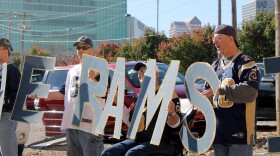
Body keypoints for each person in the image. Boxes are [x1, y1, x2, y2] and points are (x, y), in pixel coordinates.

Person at [30, 36, 104, 156]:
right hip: (71, 124)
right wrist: (40, 94)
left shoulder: (100, 68)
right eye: (78, 47)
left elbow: (106, 92)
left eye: (84, 47)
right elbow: (62, 94)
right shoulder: (72, 71)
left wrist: (95, 79)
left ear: (92, 50)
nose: (80, 50)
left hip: (90, 125)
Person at [101, 62, 183, 156]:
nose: (140, 73)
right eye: (139, 71)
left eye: (144, 70)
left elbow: (176, 124)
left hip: (163, 142)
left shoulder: (167, 93)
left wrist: (171, 113)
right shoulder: (141, 97)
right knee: (108, 152)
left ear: (155, 74)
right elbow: (130, 122)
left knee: (132, 154)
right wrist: (119, 103)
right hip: (139, 141)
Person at [202, 24, 260, 156]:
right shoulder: (215, 65)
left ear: (231, 39)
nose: (214, 42)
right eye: (214, 39)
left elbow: (251, 91)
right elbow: (209, 93)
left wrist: (221, 90)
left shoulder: (246, 63)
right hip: (219, 134)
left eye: (219, 38)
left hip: (240, 133)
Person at [0, 38, 21, 156]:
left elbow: (17, 94)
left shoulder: (12, 70)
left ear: (5, 51)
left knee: (8, 152)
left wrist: (3, 101)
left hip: (6, 116)